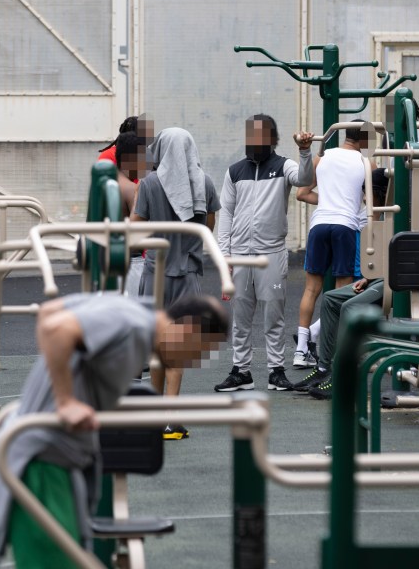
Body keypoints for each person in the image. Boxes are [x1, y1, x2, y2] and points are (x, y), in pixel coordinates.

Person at [0, 293, 228, 568]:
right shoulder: (132, 325)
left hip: (56, 460)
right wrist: (65, 401)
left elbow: (49, 311)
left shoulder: (131, 314)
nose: (193, 361)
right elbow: (54, 328)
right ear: (188, 330)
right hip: (43, 464)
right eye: (200, 351)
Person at [132, 127, 221, 439]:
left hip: (155, 274)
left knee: (156, 349)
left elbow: (135, 229)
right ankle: (172, 418)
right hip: (187, 275)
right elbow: (208, 227)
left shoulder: (149, 184)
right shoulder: (205, 182)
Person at [214, 115, 314, 393]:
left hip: (271, 253)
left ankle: (276, 371)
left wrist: (304, 151)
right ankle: (241, 371)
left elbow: (304, 178)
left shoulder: (285, 166)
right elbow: (227, 216)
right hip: (240, 256)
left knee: (274, 315)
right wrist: (225, 257)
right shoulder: (234, 171)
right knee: (241, 316)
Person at [294, 169, 390, 396]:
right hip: (376, 279)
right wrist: (367, 278)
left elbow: (397, 261)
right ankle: (323, 367)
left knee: (350, 306)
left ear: (380, 193)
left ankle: (342, 374)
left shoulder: (394, 215)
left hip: (391, 282)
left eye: (369, 193)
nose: (365, 198)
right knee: (329, 298)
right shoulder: (368, 217)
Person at [292, 121, 375, 369]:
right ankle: (338, 349)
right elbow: (374, 200)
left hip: (319, 225)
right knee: (342, 291)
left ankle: (300, 349)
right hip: (345, 226)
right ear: (364, 140)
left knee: (311, 289)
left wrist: (328, 199)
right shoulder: (366, 163)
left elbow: (302, 193)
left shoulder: (324, 156)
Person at [112, 131, 150, 297]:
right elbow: (139, 233)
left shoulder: (104, 184)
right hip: (130, 264)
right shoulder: (131, 189)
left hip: (105, 261)